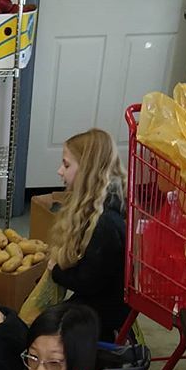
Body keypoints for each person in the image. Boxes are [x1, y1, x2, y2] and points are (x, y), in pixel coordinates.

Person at [48, 129, 130, 342]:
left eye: (66, 165)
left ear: (87, 170)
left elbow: (89, 282)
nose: (59, 171)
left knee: (45, 327)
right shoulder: (101, 209)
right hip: (99, 298)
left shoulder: (105, 225)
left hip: (105, 311)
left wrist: (56, 271)